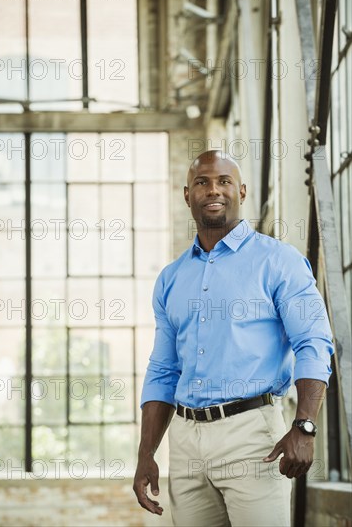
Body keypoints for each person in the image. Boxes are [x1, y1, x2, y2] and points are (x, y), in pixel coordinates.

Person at [133, 150, 333, 527]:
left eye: (224, 181)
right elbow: (162, 369)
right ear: (187, 194)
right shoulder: (171, 278)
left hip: (252, 437)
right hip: (186, 439)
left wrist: (304, 425)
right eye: (202, 182)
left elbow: (314, 342)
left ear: (241, 192)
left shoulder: (278, 261)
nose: (214, 190)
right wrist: (146, 454)